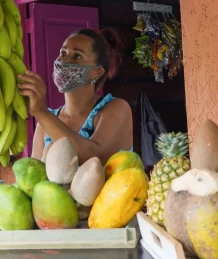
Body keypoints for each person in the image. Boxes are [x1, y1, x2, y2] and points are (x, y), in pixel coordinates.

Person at [18, 28, 133, 165]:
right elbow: (33, 174)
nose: (65, 60)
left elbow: (94, 159)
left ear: (96, 72)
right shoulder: (44, 125)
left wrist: (41, 112)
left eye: (77, 56)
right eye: (63, 53)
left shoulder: (117, 109)